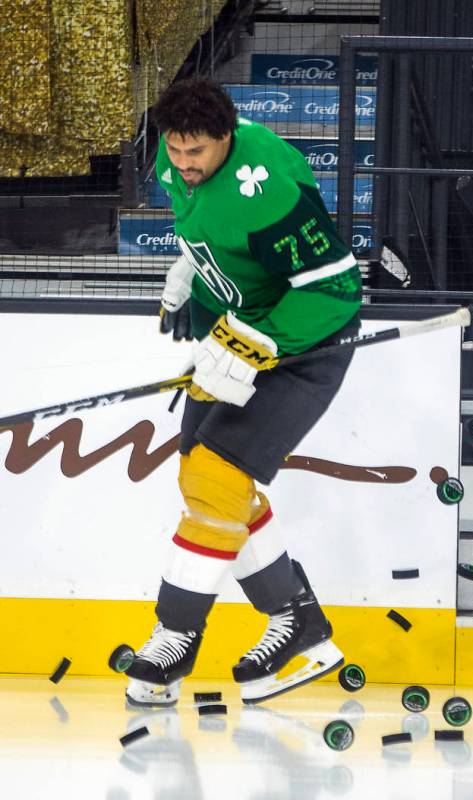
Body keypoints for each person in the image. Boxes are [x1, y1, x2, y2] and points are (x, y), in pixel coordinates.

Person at [125, 76, 362, 706]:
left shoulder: (269, 193)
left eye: (196, 153)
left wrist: (255, 346)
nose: (184, 165)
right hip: (232, 333)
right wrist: (193, 269)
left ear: (226, 138)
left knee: (214, 477)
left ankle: (173, 636)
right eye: (175, 152)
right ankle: (302, 628)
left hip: (305, 345)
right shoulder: (176, 157)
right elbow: (209, 224)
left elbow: (336, 287)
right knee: (206, 481)